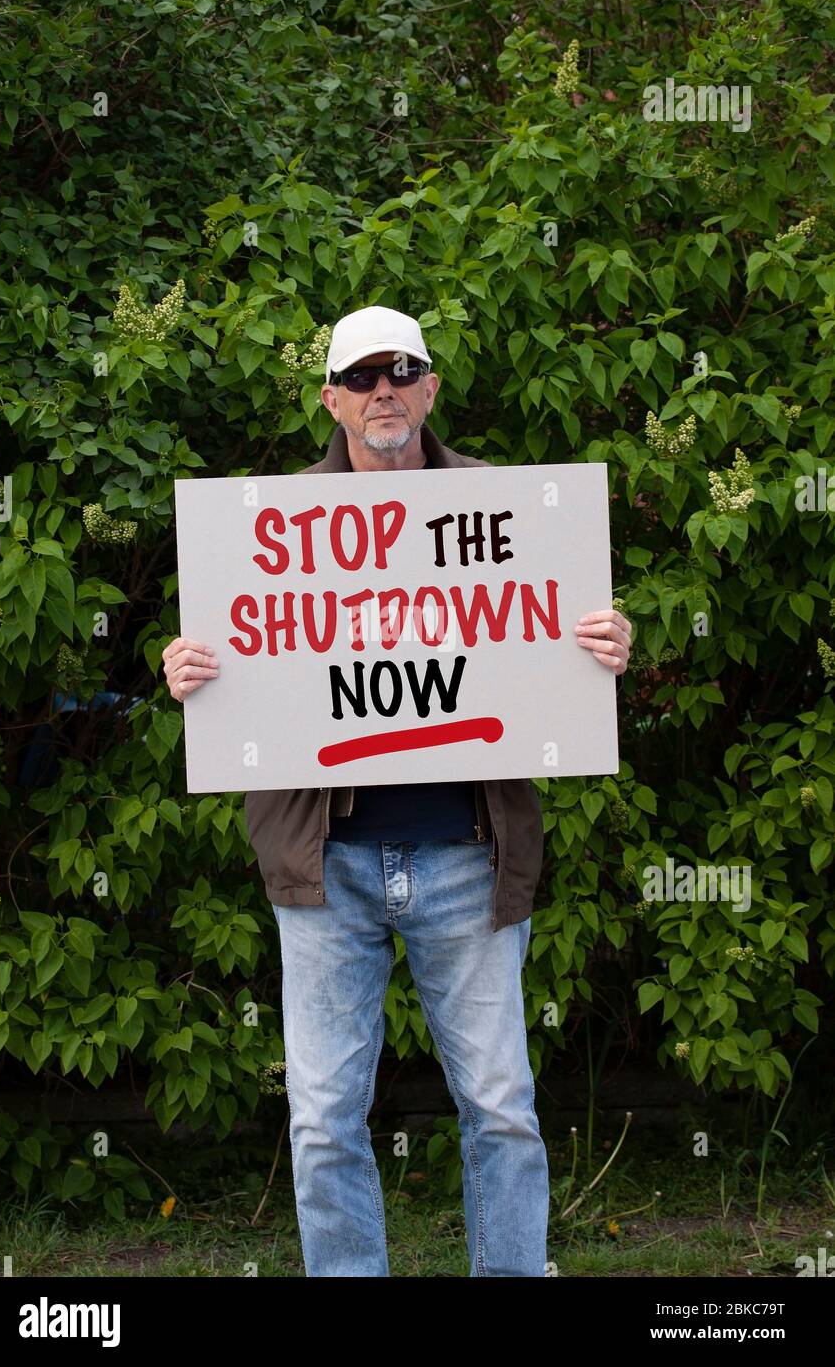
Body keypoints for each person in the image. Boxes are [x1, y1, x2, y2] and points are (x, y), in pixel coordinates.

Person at [162, 305, 632, 1276]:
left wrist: (603, 649)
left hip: (467, 853)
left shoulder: (508, 511)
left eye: (401, 370)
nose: (383, 389)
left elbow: (547, 641)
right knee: (326, 1116)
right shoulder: (260, 529)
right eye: (362, 375)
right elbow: (248, 667)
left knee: (500, 1105)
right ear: (330, 398)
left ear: (428, 388)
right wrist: (191, 672)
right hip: (324, 866)